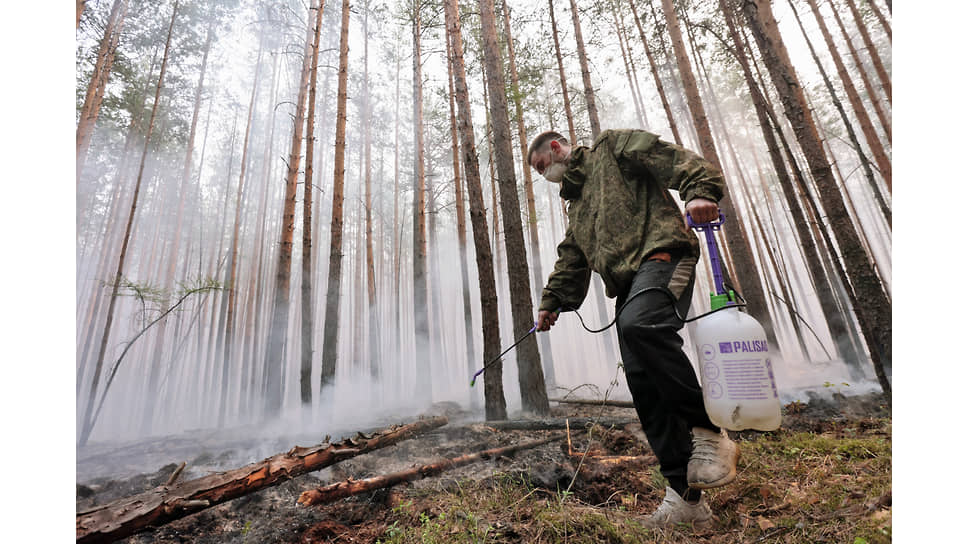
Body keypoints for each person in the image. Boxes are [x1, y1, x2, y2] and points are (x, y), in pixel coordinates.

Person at [528, 129, 740, 528]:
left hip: (663, 257)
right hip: (629, 285)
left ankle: (709, 433)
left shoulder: (613, 148)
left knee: (640, 325)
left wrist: (700, 191)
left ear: (556, 148)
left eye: (542, 167)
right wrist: (551, 302)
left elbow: (673, 159)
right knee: (643, 383)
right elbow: (571, 258)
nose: (545, 176)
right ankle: (685, 502)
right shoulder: (578, 205)